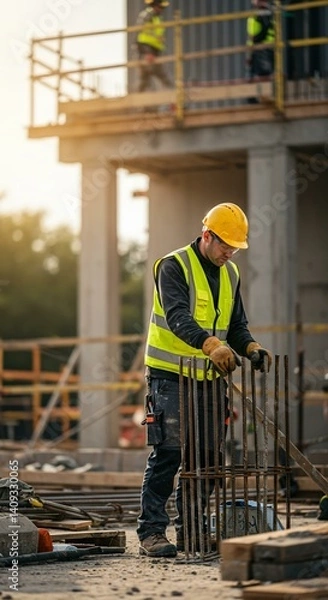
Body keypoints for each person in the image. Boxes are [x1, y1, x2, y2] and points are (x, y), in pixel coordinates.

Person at [137, 202, 272, 557]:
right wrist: (212, 344)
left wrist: (250, 347)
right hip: (169, 376)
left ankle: (192, 533)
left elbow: (236, 325)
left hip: (209, 378)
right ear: (207, 236)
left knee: (207, 460)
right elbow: (177, 315)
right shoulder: (173, 265)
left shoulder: (230, 274)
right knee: (168, 454)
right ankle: (152, 532)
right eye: (225, 244)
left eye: (234, 247)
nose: (229, 252)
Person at [136, 0, 173, 93]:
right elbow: (141, 35)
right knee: (160, 76)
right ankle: (177, 98)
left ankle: (137, 103)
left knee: (145, 79)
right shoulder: (148, 15)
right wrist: (146, 52)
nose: (161, 9)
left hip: (154, 51)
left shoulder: (157, 18)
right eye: (160, 7)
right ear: (155, 5)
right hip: (148, 51)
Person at [246, 0, 275, 102]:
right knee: (259, 72)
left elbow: (257, 35)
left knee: (263, 72)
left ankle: (263, 96)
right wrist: (250, 54)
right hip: (261, 48)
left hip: (263, 47)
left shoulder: (263, 14)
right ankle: (256, 97)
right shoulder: (263, 14)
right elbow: (252, 36)